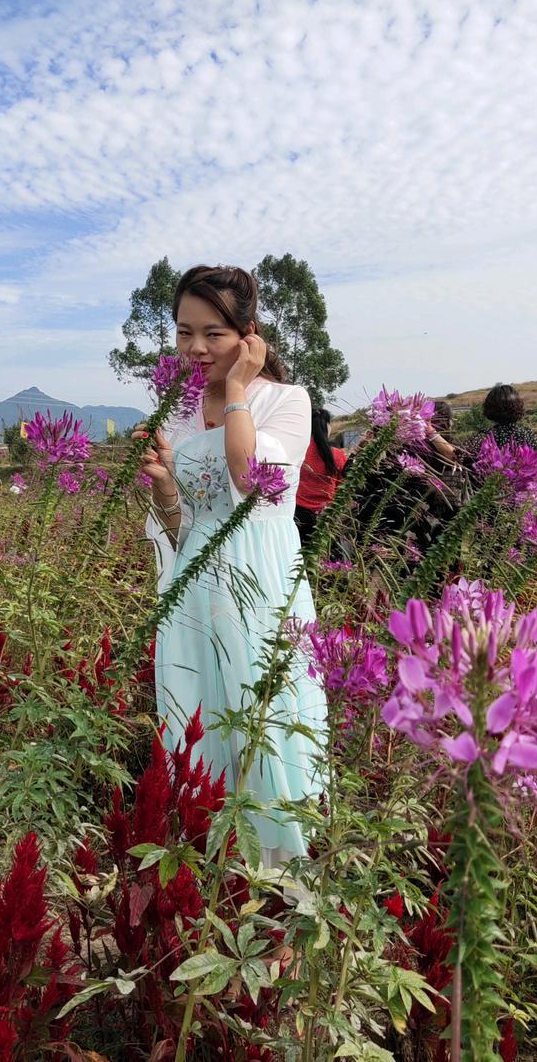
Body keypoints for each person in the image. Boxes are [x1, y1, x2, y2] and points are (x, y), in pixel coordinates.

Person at [138, 264, 326, 866]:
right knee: (198, 711)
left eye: (213, 333)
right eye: (183, 332)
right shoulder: (179, 413)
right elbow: (183, 526)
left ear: (248, 334)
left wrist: (240, 389)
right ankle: (210, 865)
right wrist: (166, 486)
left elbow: (250, 480)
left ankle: (281, 872)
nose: (195, 348)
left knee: (263, 717)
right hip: (196, 586)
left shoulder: (286, 401)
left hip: (263, 583)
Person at [460, 384, 537, 485]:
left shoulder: (486, 436)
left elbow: (459, 454)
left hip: (484, 497)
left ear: (489, 409)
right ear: (518, 407)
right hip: (515, 497)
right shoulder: (525, 434)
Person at [294, 407, 346, 542]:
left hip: (297, 512)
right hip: (326, 514)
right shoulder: (337, 454)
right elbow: (342, 485)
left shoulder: (298, 450)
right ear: (327, 426)